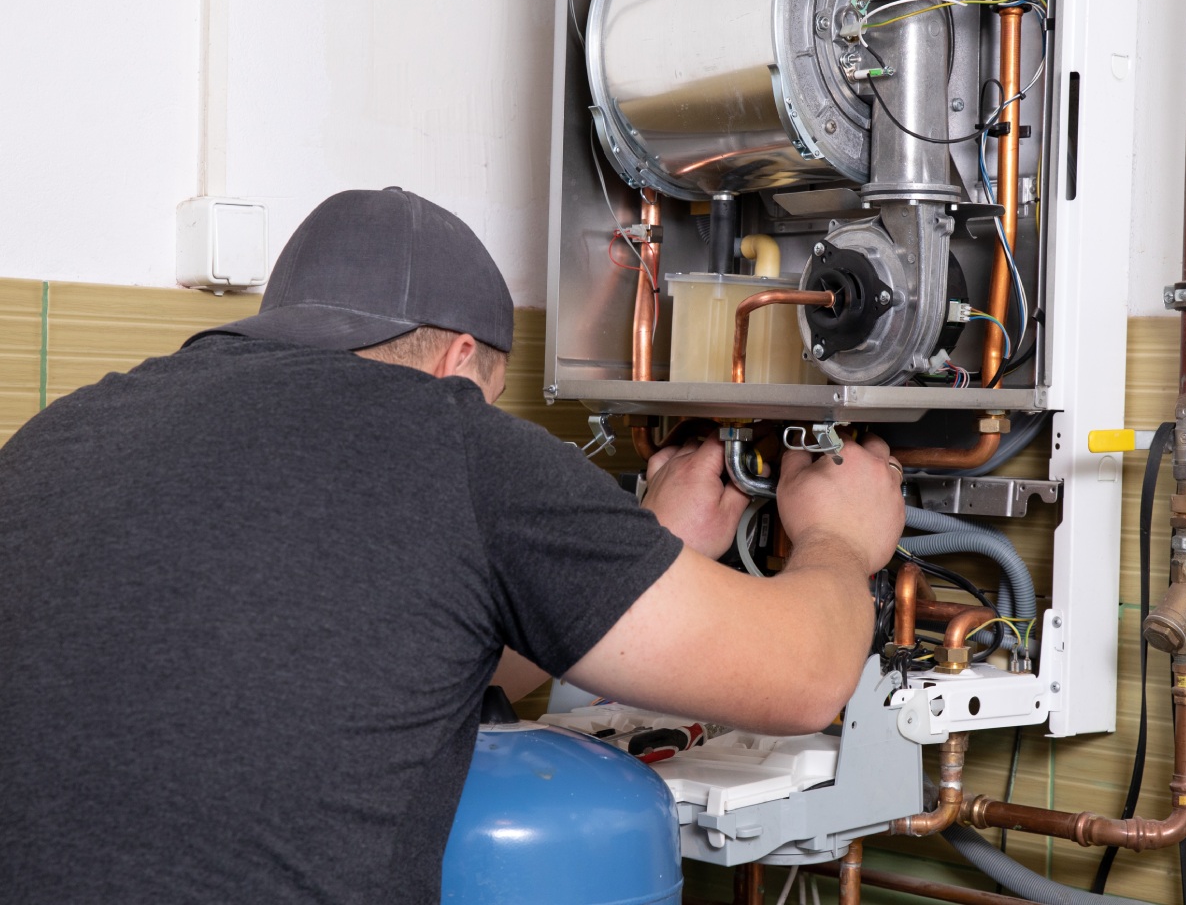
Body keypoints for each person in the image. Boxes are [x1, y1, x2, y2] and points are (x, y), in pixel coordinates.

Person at [0, 187, 907, 905]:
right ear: (455, 360)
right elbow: (803, 678)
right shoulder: (447, 435)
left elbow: (411, 647)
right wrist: (838, 536)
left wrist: (656, 544)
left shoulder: (65, 430)